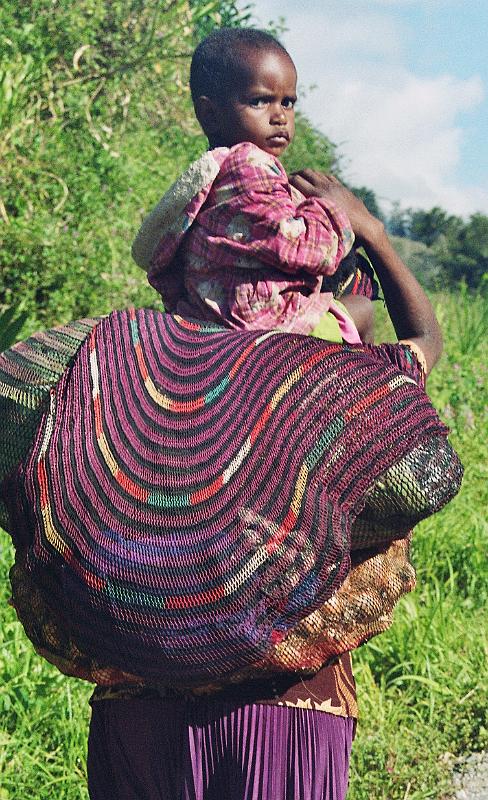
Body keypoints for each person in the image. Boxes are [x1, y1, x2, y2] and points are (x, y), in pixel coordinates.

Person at [132, 28, 377, 345]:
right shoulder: (250, 164)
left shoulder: (215, 175)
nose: (280, 116)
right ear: (210, 114)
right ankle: (359, 391)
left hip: (209, 317)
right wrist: (336, 212)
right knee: (363, 308)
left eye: (288, 102)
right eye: (260, 100)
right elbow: (298, 246)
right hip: (265, 326)